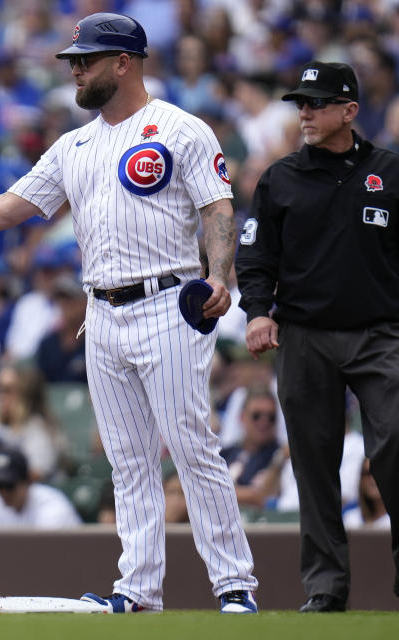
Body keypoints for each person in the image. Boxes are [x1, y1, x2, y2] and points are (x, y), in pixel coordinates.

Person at [0, 13, 258, 613]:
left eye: (86, 59)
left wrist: (220, 274)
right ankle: (139, 589)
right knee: (127, 459)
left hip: (168, 298)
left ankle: (234, 584)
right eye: (73, 60)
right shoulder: (75, 144)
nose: (76, 69)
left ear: (125, 62)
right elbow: (9, 207)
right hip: (102, 308)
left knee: (191, 445)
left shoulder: (180, 128)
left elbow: (218, 207)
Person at [236, 60, 399, 613]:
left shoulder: (389, 173)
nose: (303, 112)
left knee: (396, 440)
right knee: (313, 462)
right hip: (304, 335)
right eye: (299, 103)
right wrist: (258, 312)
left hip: (380, 333)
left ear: (349, 111)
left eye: (316, 103)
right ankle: (326, 589)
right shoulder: (280, 179)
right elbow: (255, 256)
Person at [0, 447, 81, 529]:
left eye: (9, 486)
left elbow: (40, 548)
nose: (3, 492)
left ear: (28, 481)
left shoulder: (52, 506)